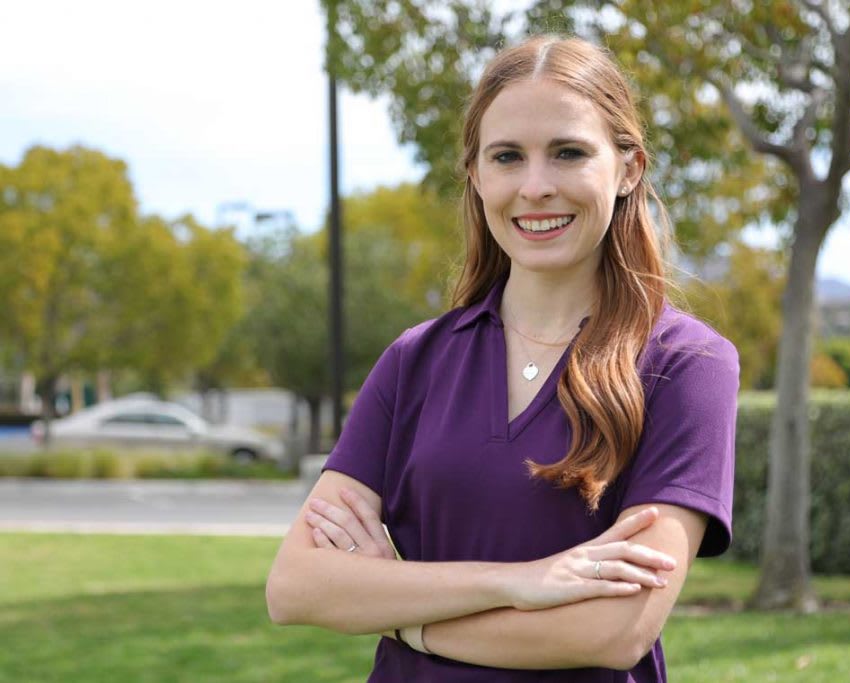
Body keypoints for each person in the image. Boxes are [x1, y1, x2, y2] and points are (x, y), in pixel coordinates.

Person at [266, 34, 740, 682]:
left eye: (568, 153)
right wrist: (523, 582)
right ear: (477, 174)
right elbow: (296, 585)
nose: (535, 186)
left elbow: (614, 628)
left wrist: (397, 606)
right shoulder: (415, 361)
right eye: (507, 157)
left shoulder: (686, 365)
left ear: (629, 167)